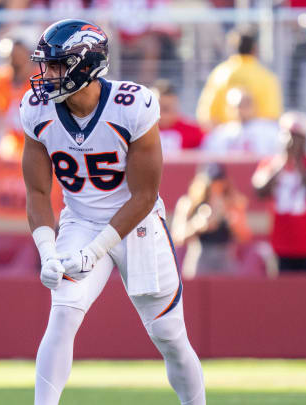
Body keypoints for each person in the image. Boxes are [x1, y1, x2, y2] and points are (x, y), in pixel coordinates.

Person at [21, 20, 206, 405]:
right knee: (63, 315)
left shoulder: (132, 105)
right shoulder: (37, 110)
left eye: (57, 65)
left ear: (86, 65)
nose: (47, 75)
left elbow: (144, 195)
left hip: (136, 225)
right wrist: (47, 251)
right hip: (80, 220)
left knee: (170, 337)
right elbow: (38, 191)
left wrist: (96, 249)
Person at [251, 112, 306, 273]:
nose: (292, 141)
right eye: (289, 135)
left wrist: (299, 163)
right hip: (282, 248)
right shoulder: (270, 165)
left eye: (298, 137)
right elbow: (260, 191)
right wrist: (283, 162)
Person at [171, 164, 251, 277]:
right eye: (211, 184)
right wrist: (198, 224)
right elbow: (177, 237)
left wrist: (233, 221)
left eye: (219, 183)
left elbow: (245, 237)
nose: (215, 188)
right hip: (200, 258)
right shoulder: (189, 203)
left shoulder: (233, 202)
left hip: (225, 258)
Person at [195, 28, 282, 131]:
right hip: (257, 140)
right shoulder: (267, 77)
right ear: (255, 49)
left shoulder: (220, 74)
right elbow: (272, 116)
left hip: (225, 139)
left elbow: (206, 115)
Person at [0, 33, 38, 160]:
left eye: (19, 58)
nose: (16, 64)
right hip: (11, 142)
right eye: (11, 59)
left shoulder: (42, 80)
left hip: (37, 142)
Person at [202, 88, 280, 156]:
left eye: (245, 105)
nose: (241, 110)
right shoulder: (220, 134)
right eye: (237, 106)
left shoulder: (269, 130)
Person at [152, 79, 205, 154]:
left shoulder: (194, 132)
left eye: (165, 109)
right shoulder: (139, 131)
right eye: (154, 109)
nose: (159, 115)